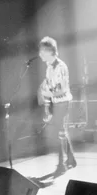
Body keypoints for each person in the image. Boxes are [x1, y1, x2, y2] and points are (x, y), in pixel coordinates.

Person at [37, 36, 77, 175]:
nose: (39, 54)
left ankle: (62, 164)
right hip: (55, 102)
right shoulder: (48, 67)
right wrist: (47, 104)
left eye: (42, 51)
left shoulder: (61, 67)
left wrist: (49, 94)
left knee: (58, 132)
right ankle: (71, 159)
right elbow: (48, 87)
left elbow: (63, 89)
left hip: (64, 102)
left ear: (49, 51)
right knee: (61, 131)